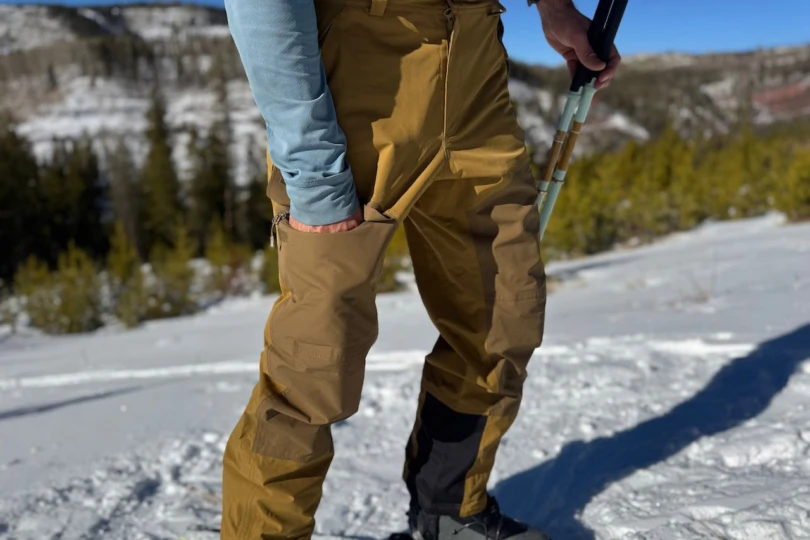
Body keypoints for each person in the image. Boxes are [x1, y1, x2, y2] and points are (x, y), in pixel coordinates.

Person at [221, 0, 620, 538]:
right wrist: (313, 171)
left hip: (478, 67)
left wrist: (552, 5)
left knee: (500, 320)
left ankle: (448, 514)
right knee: (313, 362)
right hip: (361, 69)